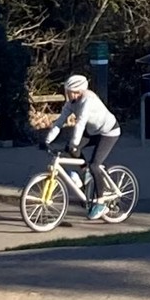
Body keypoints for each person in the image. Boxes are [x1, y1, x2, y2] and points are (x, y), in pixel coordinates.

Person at [42, 73, 121, 220]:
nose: (67, 95)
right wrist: (47, 140)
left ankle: (101, 202)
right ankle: (86, 175)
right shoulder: (71, 103)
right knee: (71, 150)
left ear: (78, 91)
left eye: (69, 92)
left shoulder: (87, 101)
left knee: (95, 165)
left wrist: (75, 143)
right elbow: (59, 122)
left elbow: (81, 123)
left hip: (109, 132)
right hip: (93, 131)